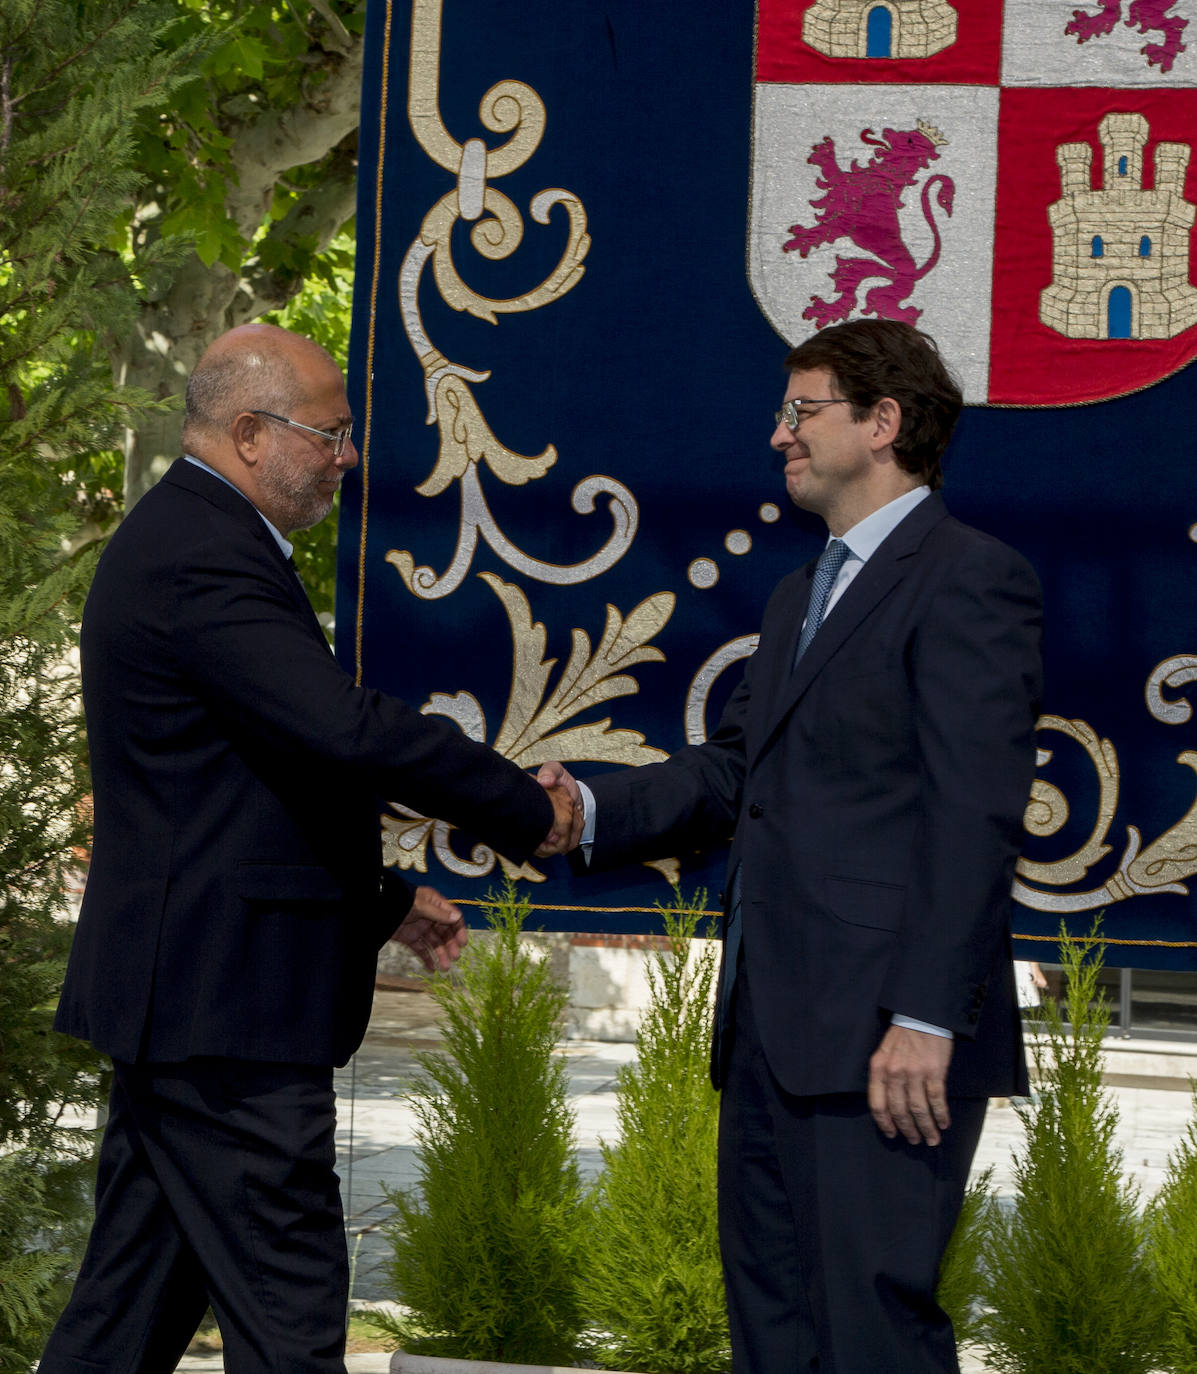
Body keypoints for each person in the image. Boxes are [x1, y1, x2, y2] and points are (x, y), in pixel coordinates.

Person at [40, 323, 578, 1374]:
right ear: (248, 433)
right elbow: (341, 729)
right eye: (327, 434)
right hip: (224, 1014)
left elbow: (251, 790)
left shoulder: (199, 539)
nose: (347, 456)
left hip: (192, 1000)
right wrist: (520, 803)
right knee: (290, 1319)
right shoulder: (203, 555)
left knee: (123, 1318)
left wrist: (382, 901)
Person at [539, 318, 1042, 1373]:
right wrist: (587, 809)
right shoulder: (798, 591)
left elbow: (973, 813)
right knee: (773, 1332)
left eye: (803, 410)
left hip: (885, 1044)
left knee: (871, 1336)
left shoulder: (969, 578)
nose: (781, 435)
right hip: (772, 1028)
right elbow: (739, 776)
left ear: (885, 422)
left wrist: (923, 1018)